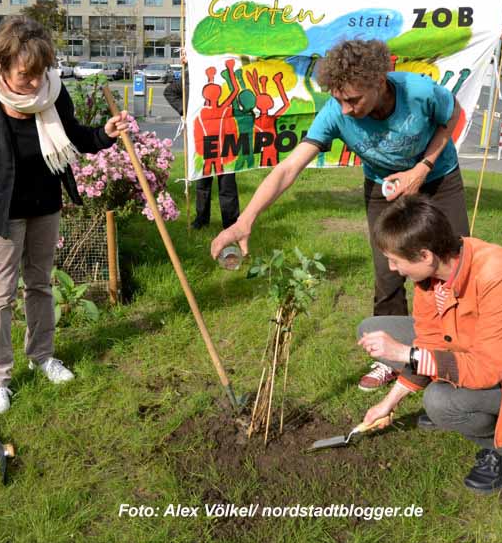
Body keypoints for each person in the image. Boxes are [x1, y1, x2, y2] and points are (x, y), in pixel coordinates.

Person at [210, 39, 470, 392]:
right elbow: (288, 169)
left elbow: (451, 113)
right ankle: (392, 360)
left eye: (353, 100)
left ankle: (457, 354)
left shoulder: (419, 91)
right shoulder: (336, 114)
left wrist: (422, 167)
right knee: (388, 273)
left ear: (379, 82)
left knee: (453, 266)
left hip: (438, 179)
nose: (345, 110)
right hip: (384, 189)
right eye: (338, 99)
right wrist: (245, 221)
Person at [0, 16, 129, 415]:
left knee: (41, 284)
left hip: (45, 206)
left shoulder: (54, 95)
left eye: (40, 72)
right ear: (0, 66)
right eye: (25, 74)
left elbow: (76, 137)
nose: (34, 82)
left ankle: (42, 356)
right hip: (1, 215)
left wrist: (105, 134)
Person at [357, 195, 502, 495]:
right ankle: (460, 413)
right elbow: (429, 341)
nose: (393, 269)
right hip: (472, 345)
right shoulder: (433, 276)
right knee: (372, 329)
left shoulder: (499, 278)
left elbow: (487, 370)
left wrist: (404, 353)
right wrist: (386, 404)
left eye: (395, 260)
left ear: (424, 255)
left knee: (439, 401)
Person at [163, 56, 240, 230]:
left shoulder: (222, 89)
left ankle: (231, 223)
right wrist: (185, 111)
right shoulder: (190, 79)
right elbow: (169, 92)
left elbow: (234, 91)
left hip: (225, 142)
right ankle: (201, 219)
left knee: (227, 184)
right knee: (202, 182)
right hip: (203, 142)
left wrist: (229, 68)